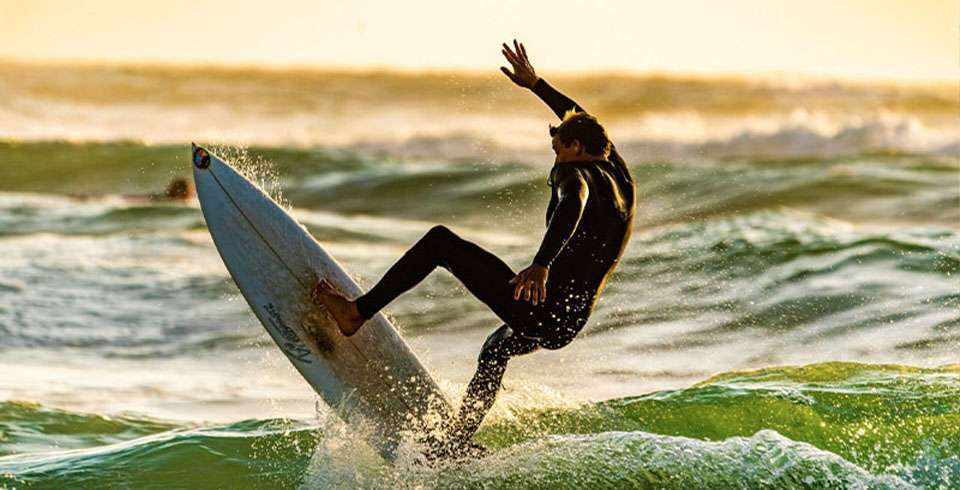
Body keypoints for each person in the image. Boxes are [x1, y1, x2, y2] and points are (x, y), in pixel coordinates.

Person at [313, 39, 636, 457]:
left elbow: (572, 204)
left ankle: (355, 313)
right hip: (570, 321)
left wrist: (541, 265)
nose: (554, 155)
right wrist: (536, 84)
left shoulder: (574, 174)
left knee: (440, 243)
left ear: (575, 149)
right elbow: (581, 118)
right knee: (496, 349)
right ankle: (457, 442)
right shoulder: (619, 176)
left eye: (558, 147)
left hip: (545, 308)